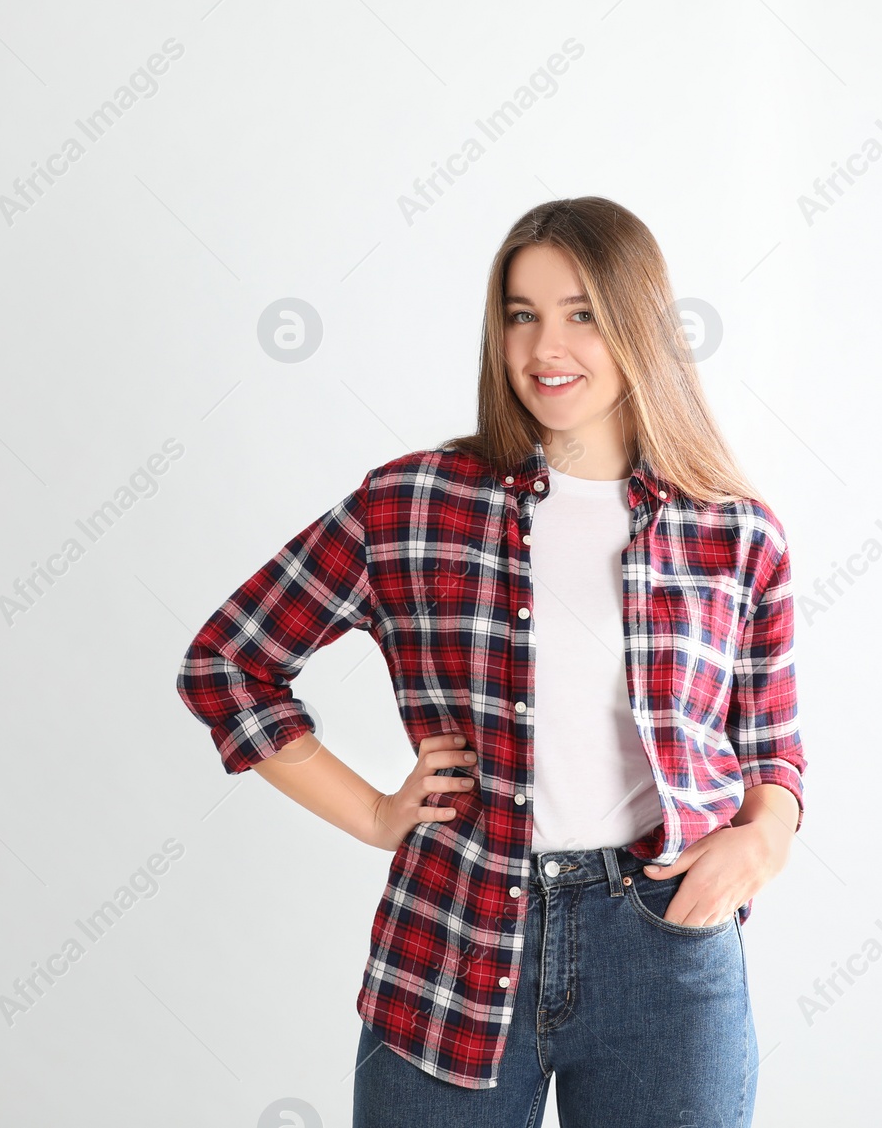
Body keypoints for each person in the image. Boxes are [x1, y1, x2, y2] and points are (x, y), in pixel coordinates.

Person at [175, 196, 807, 1127]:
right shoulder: (414, 503)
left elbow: (774, 753)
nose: (546, 345)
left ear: (638, 322)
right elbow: (227, 664)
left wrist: (760, 842)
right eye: (523, 313)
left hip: (667, 949)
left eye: (582, 311)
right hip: (452, 939)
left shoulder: (734, 531)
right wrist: (375, 815)